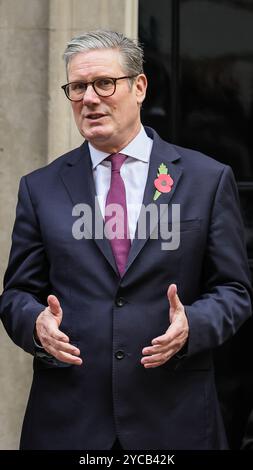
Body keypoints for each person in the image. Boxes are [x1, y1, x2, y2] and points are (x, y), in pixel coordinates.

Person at [0, 30, 252, 451]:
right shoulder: (39, 188)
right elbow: (17, 295)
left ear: (139, 87)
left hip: (175, 419)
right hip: (68, 423)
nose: (90, 98)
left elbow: (235, 290)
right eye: (78, 87)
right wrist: (35, 324)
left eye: (104, 83)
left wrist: (194, 324)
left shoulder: (207, 179)